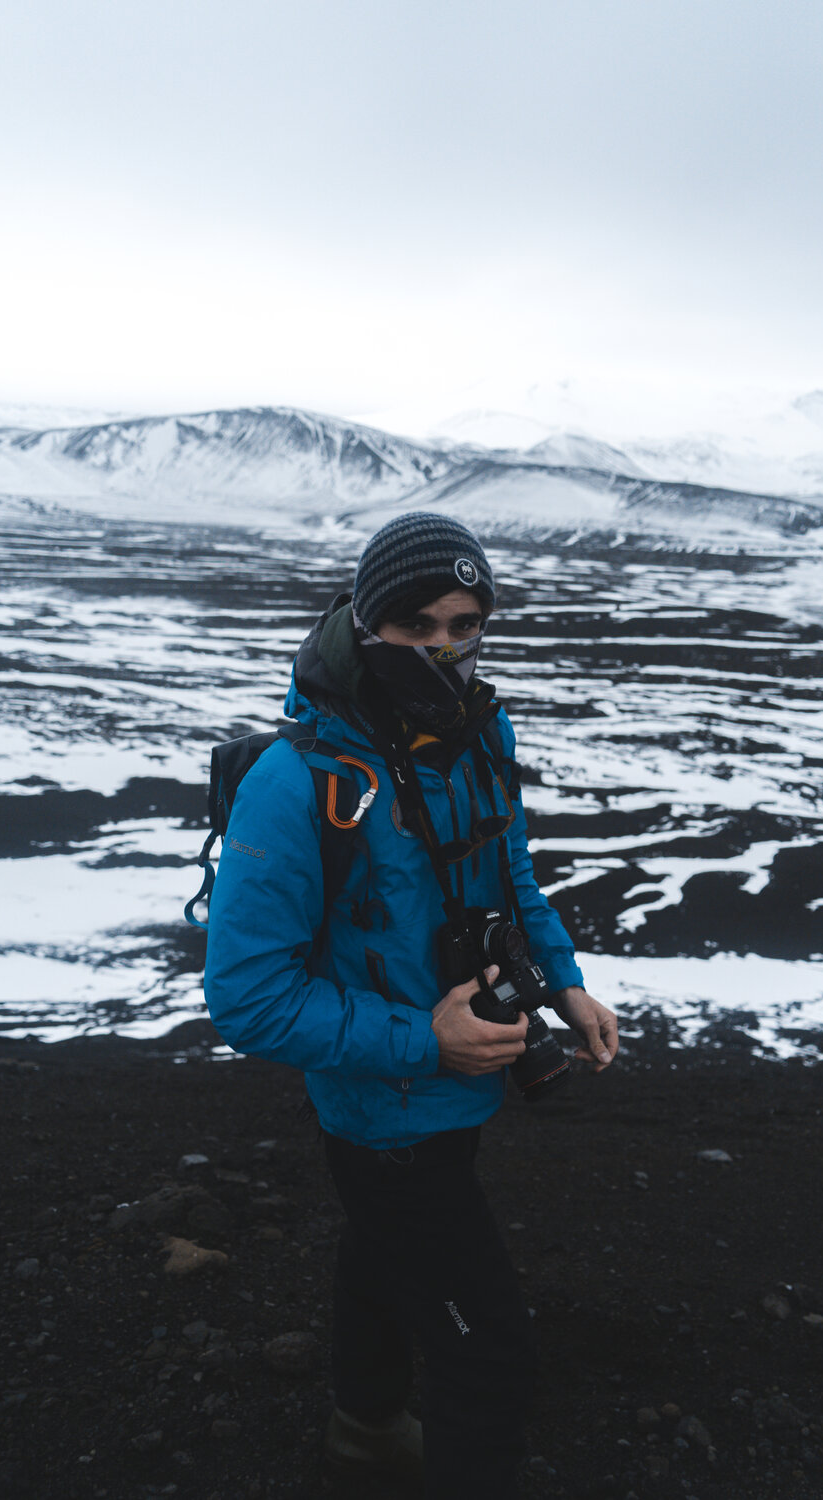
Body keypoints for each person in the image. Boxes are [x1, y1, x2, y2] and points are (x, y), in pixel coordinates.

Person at [203, 512, 619, 1497]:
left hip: (449, 1094)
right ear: (364, 615)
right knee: (491, 1359)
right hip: (382, 1106)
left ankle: (362, 1436)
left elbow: (504, 871)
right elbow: (245, 999)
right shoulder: (295, 781)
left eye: (464, 624)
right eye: (414, 621)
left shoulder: (477, 731)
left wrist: (562, 981)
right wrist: (424, 1041)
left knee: (378, 1259)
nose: (440, 646)